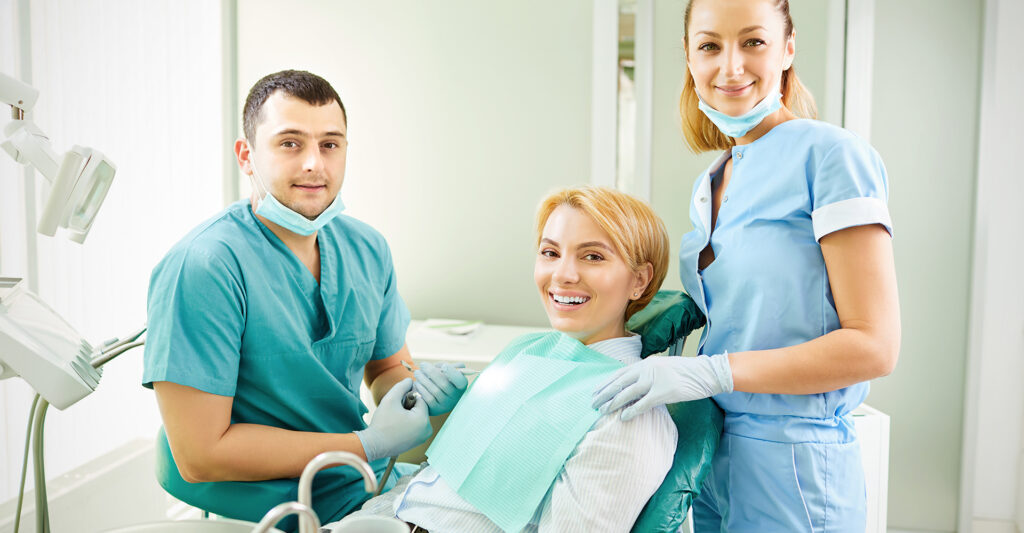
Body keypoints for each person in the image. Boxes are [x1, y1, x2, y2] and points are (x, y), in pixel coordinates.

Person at [591, 0, 901, 530]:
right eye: (710, 45)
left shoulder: (832, 158)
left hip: (796, 468)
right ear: (689, 57)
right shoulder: (711, 180)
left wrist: (710, 371)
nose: (730, 66)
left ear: (788, 48)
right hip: (712, 456)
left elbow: (875, 346)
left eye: (753, 42)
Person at [142, 70, 468, 529]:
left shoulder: (367, 248)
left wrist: (418, 393)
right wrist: (367, 443)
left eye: (330, 144)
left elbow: (387, 368)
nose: (315, 163)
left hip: (361, 480)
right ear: (247, 156)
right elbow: (201, 454)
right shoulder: (205, 266)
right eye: (290, 143)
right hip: (271, 501)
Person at [335, 186, 678, 532]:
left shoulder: (628, 409)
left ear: (639, 281)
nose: (563, 275)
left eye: (593, 257)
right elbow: (437, 484)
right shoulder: (528, 350)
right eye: (550, 252)